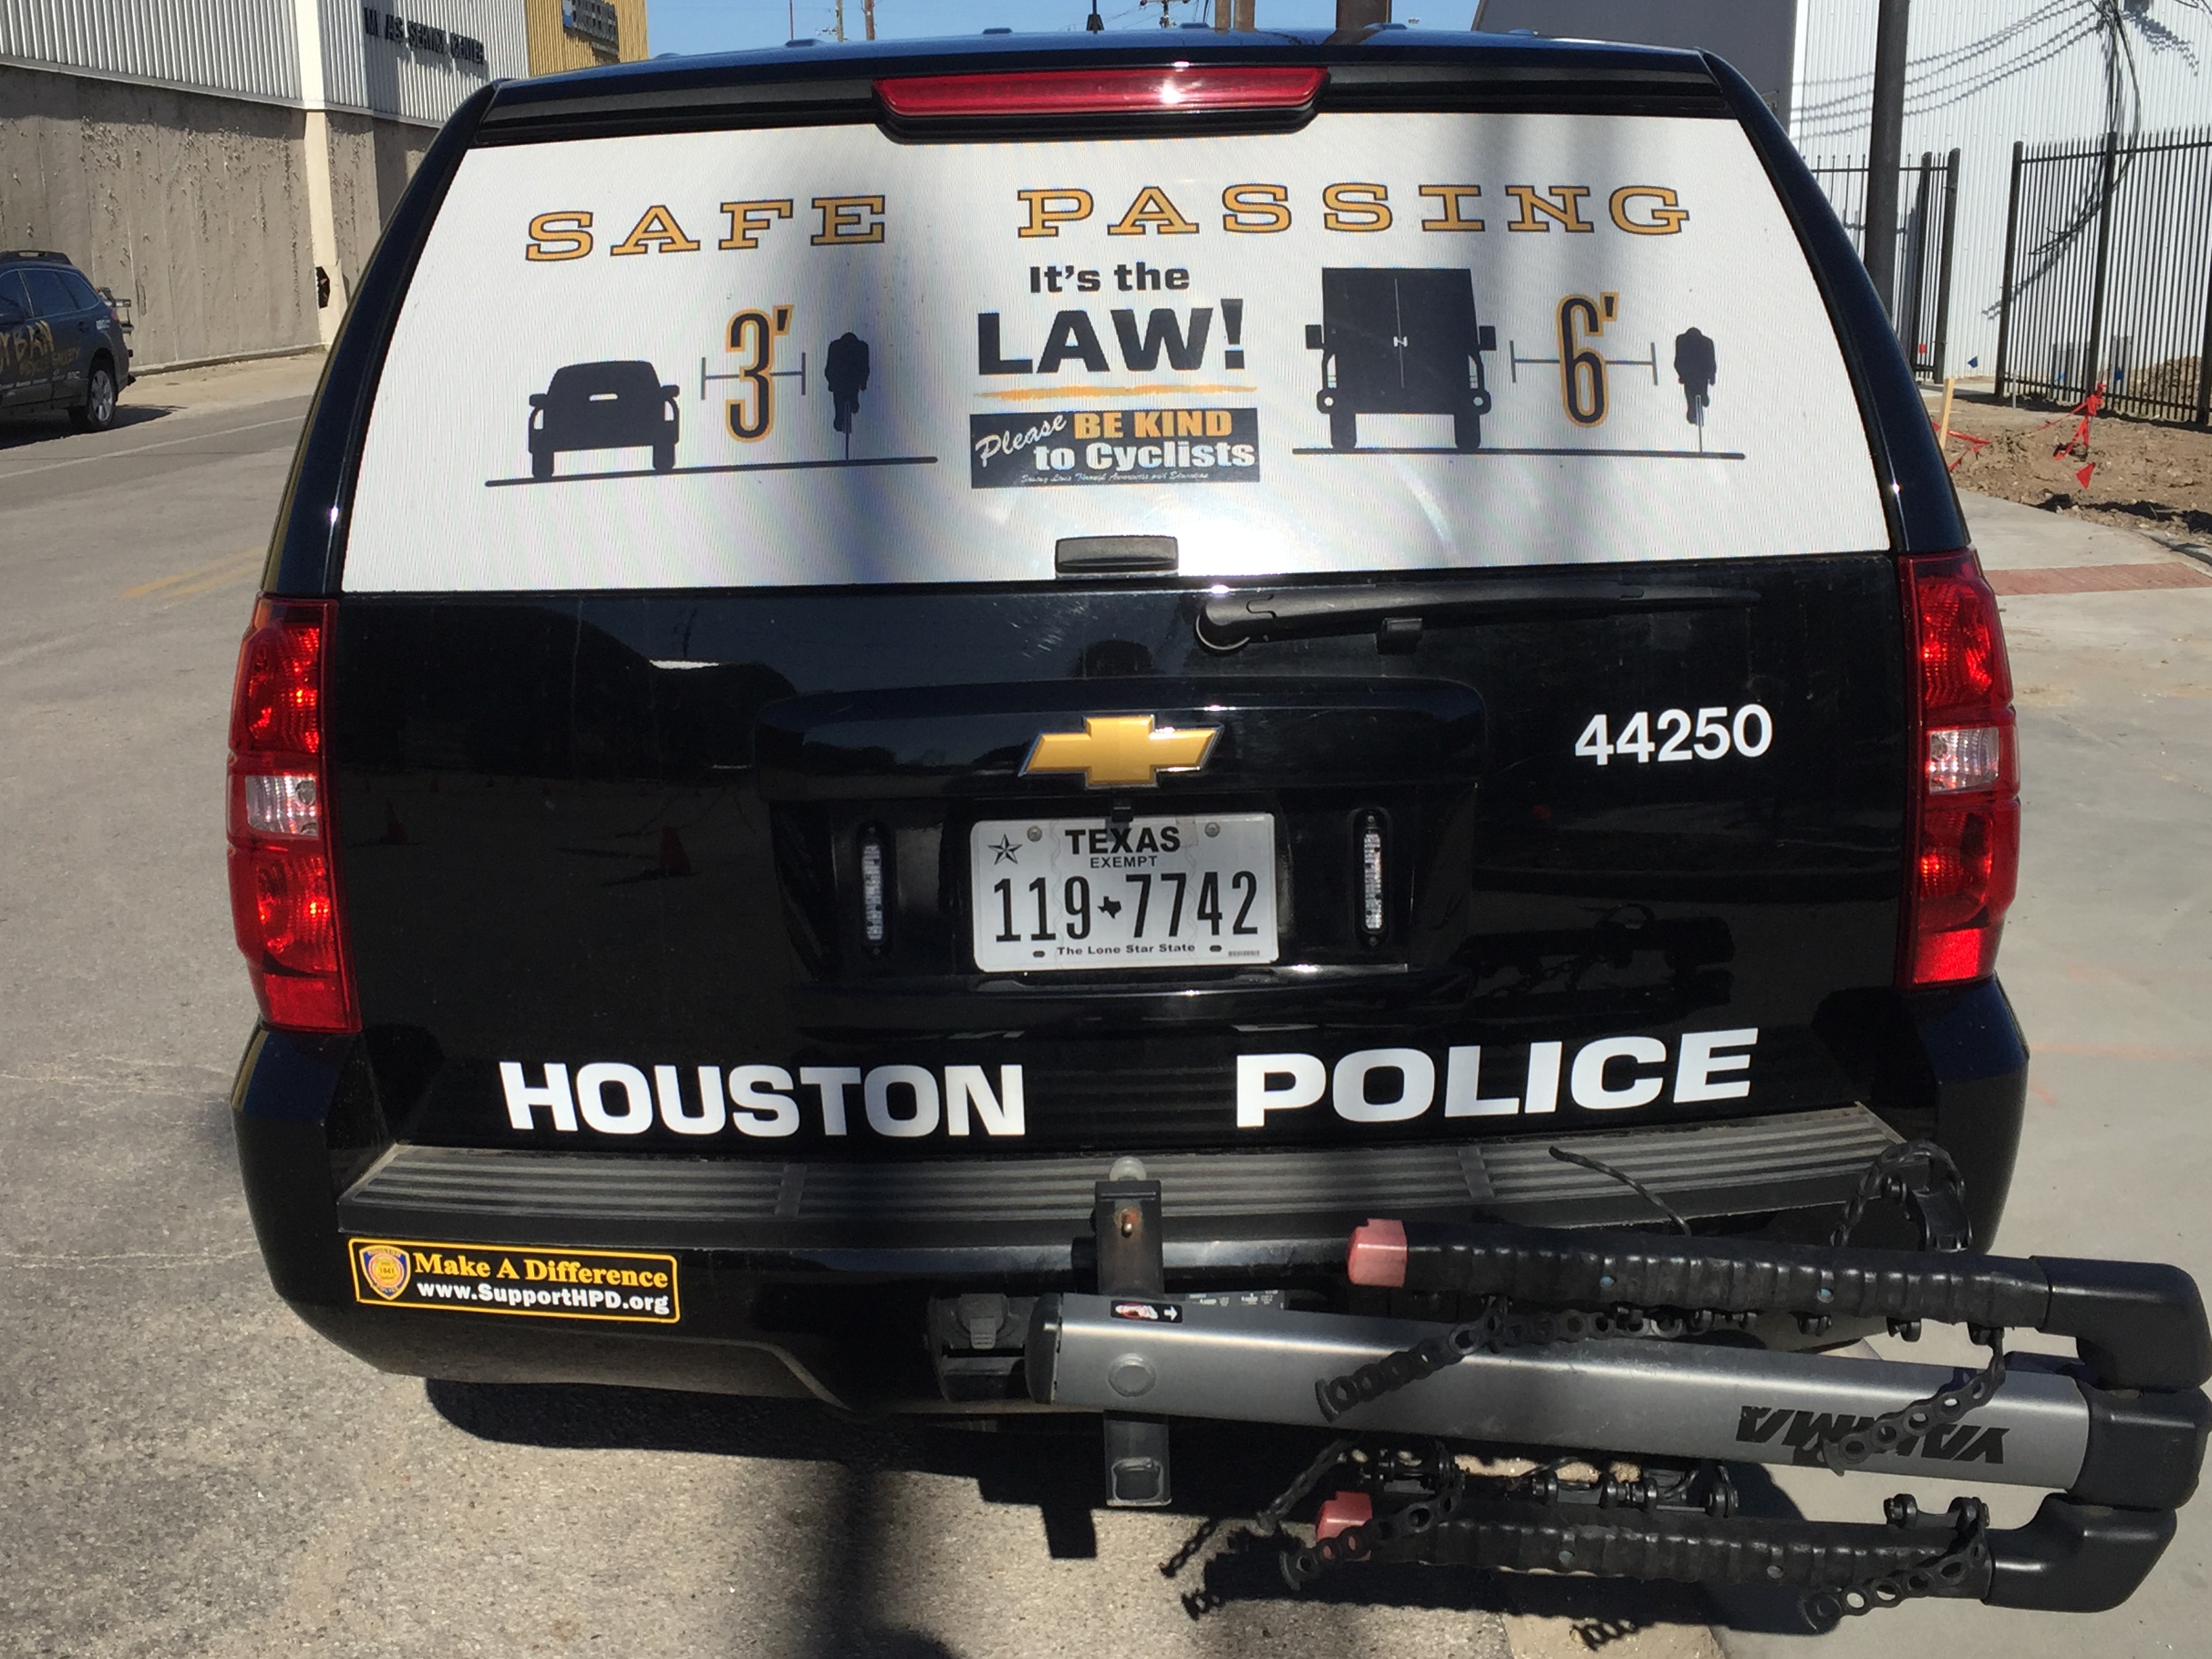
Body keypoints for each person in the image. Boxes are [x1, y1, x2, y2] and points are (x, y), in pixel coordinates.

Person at [824, 331, 870, 459]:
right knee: (845, 402)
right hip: (849, 381)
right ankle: (845, 413)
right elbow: (865, 368)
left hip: (842, 381)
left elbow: (830, 368)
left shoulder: (836, 346)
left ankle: (842, 417)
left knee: (840, 402)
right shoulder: (862, 347)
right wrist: (863, 383)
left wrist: (831, 382)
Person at [1673, 327, 1716, 427]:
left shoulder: (1682, 340)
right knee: (1696, 392)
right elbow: (1712, 362)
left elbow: (1678, 361)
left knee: (1691, 393)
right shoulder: (1707, 342)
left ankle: (1696, 406)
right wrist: (1712, 376)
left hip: (1691, 375)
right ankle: (1701, 398)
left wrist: (1681, 375)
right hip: (1700, 375)